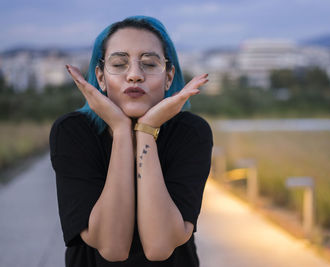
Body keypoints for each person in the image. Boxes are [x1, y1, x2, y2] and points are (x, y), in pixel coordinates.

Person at [49, 15, 213, 267]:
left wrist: (146, 131)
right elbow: (113, 248)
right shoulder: (73, 131)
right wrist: (122, 131)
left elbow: (159, 247)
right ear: (101, 77)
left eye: (149, 63)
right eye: (119, 64)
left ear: (169, 77)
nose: (135, 75)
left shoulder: (190, 132)